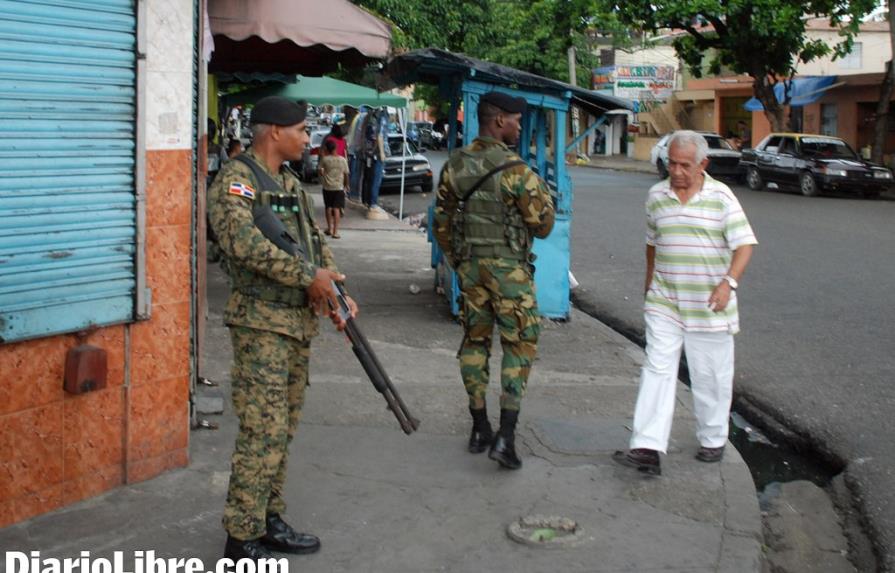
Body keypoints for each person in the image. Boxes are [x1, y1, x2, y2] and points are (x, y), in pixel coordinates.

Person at [207, 96, 358, 562]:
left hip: (294, 324)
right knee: (261, 430)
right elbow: (242, 244)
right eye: (300, 131)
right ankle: (242, 537)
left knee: (283, 428)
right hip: (260, 324)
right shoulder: (236, 180)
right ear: (274, 131)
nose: (307, 139)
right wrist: (306, 278)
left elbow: (312, 245)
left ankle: (268, 517)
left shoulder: (289, 183)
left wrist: (333, 286)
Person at [612, 130, 757, 476]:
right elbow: (653, 241)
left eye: (684, 165)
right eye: (671, 163)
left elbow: (745, 245)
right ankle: (646, 447)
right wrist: (650, 282)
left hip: (710, 304)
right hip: (666, 302)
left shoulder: (722, 198)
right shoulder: (656, 196)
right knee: (657, 369)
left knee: (711, 376)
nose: (676, 171)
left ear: (703, 164)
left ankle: (713, 438)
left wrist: (729, 283)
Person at [433, 92, 555, 470]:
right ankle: (506, 436)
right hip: (510, 273)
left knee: (474, 342)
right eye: (516, 120)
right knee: (519, 345)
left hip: (471, 271)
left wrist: (461, 262)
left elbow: (442, 224)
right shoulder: (516, 171)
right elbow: (544, 225)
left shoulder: (456, 165)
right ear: (499, 120)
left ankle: (479, 427)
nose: (519, 127)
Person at [318, 138, 350, 238]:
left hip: (327, 187)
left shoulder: (325, 160)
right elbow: (346, 174)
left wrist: (322, 155)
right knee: (336, 209)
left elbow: (320, 171)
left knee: (328, 207)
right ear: (336, 148)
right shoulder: (342, 160)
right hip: (339, 187)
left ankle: (330, 229)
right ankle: (336, 232)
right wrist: (346, 184)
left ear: (327, 149)